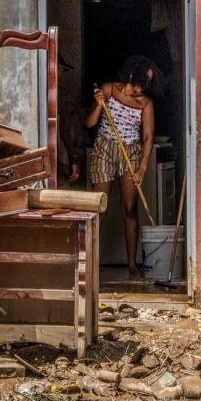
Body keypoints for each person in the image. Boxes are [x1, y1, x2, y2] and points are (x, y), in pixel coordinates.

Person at [86, 55, 161, 279]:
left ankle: (131, 264)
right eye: (141, 82)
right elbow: (90, 123)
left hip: (131, 152)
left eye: (146, 84)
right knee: (99, 207)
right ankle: (87, 263)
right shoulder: (108, 89)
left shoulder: (146, 104)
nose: (142, 88)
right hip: (104, 149)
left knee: (129, 208)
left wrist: (142, 169)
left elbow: (148, 138)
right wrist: (100, 105)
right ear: (131, 75)